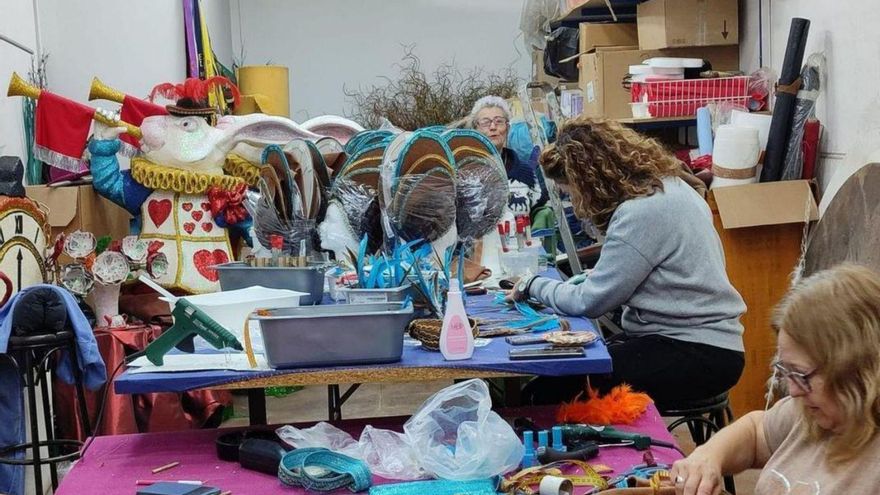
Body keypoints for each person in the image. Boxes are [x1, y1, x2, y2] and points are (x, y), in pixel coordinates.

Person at [510, 117, 746, 406]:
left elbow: (589, 302)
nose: (578, 204)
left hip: (696, 352)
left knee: (546, 393)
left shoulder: (640, 212)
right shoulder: (670, 187)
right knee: (573, 367)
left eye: (571, 192)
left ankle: (580, 450)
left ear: (588, 180)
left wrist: (531, 284)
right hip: (708, 346)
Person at [671, 263, 880, 495]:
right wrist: (708, 457)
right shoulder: (810, 413)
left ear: (857, 370)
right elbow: (755, 430)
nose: (793, 390)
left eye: (801, 374)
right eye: (786, 371)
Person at [468, 96, 547, 216]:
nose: (493, 127)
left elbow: (538, 209)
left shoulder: (525, 172)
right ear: (475, 129)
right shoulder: (466, 172)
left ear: (508, 128)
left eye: (499, 121)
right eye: (485, 123)